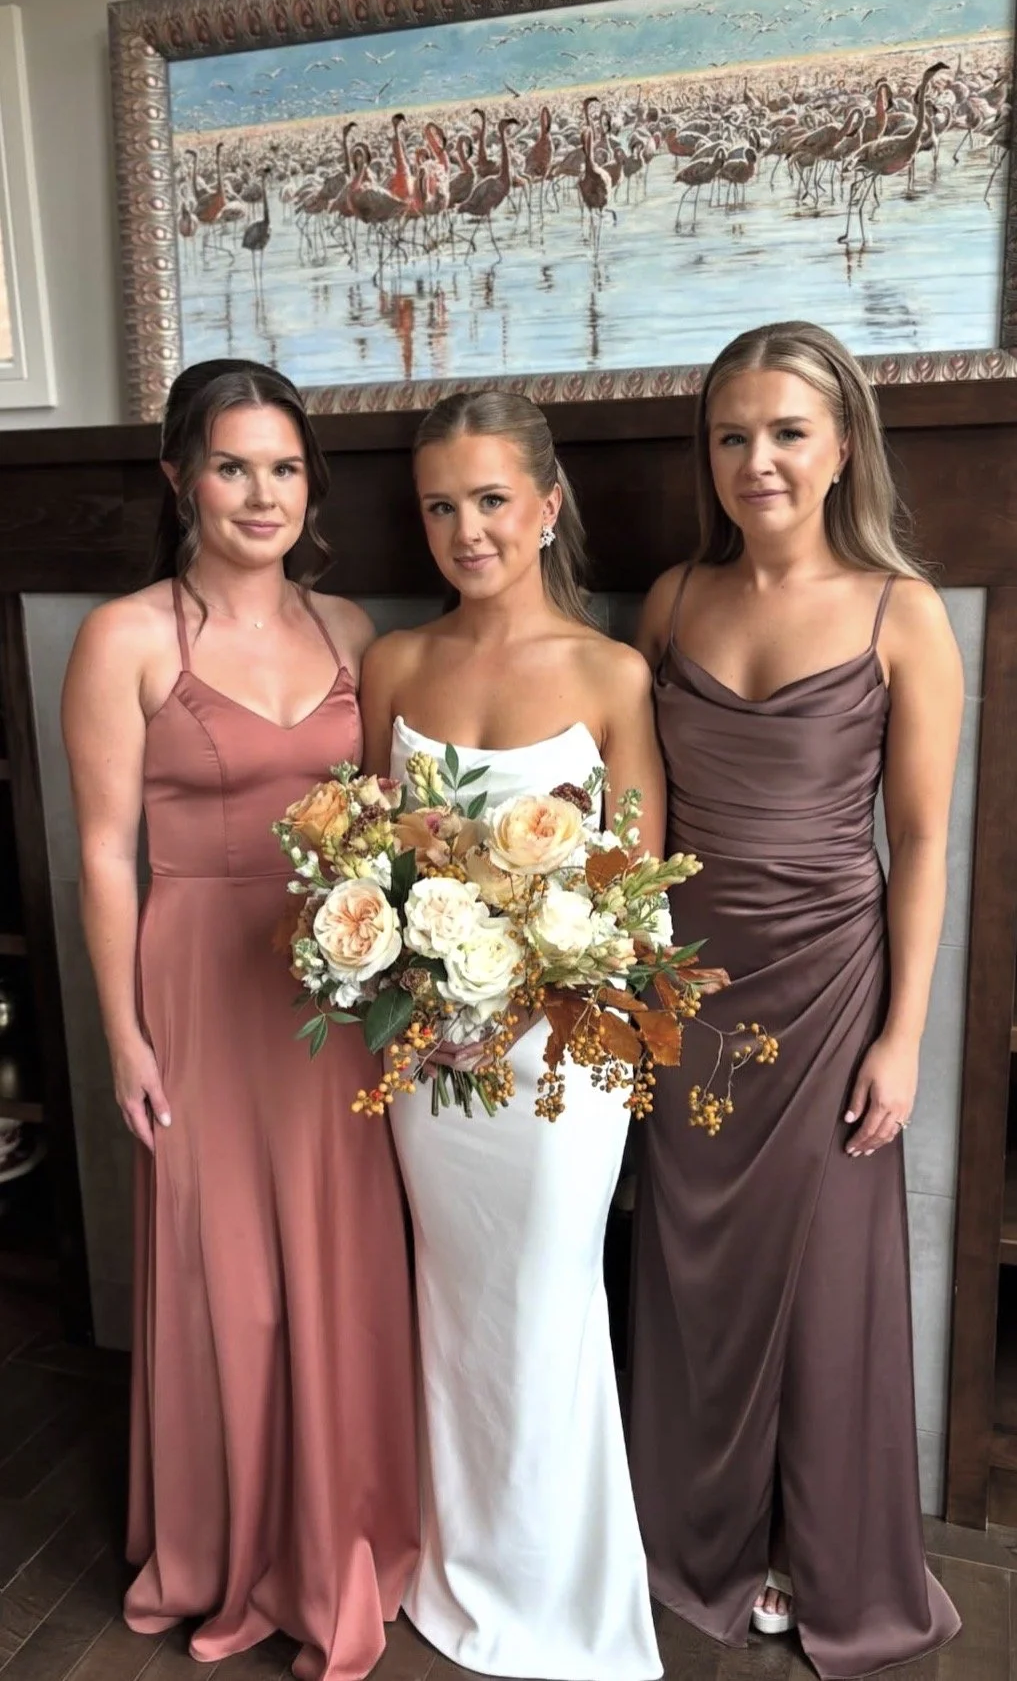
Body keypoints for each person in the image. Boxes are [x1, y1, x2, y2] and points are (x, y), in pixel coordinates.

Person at [62, 361, 418, 1681]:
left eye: (283, 467)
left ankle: (347, 1538)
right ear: (179, 478)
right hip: (198, 978)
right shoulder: (127, 638)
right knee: (232, 1284)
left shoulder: (353, 629)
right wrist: (124, 1037)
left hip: (334, 985)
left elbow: (390, 831)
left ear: (309, 484)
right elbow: (104, 852)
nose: (260, 493)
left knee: (339, 1264)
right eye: (231, 466)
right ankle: (223, 1549)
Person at [628, 320, 962, 1678]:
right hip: (688, 992)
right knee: (690, 1274)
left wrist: (904, 1038)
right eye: (731, 434)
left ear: (839, 451)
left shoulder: (901, 611)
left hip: (831, 993)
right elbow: (634, 822)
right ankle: (686, 1543)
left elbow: (927, 841)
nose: (756, 460)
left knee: (823, 1292)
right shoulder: (665, 603)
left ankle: (817, 1560)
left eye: (785, 432)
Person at [359, 390, 664, 1681]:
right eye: (440, 505)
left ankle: (565, 1595)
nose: (466, 529)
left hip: (557, 1058)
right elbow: (370, 869)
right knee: (456, 1301)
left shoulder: (613, 672)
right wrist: (405, 982)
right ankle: (463, 1567)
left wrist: (541, 983)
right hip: (431, 1060)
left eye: (491, 500)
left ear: (546, 506)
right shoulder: (394, 665)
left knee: (546, 1297)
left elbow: (640, 884)